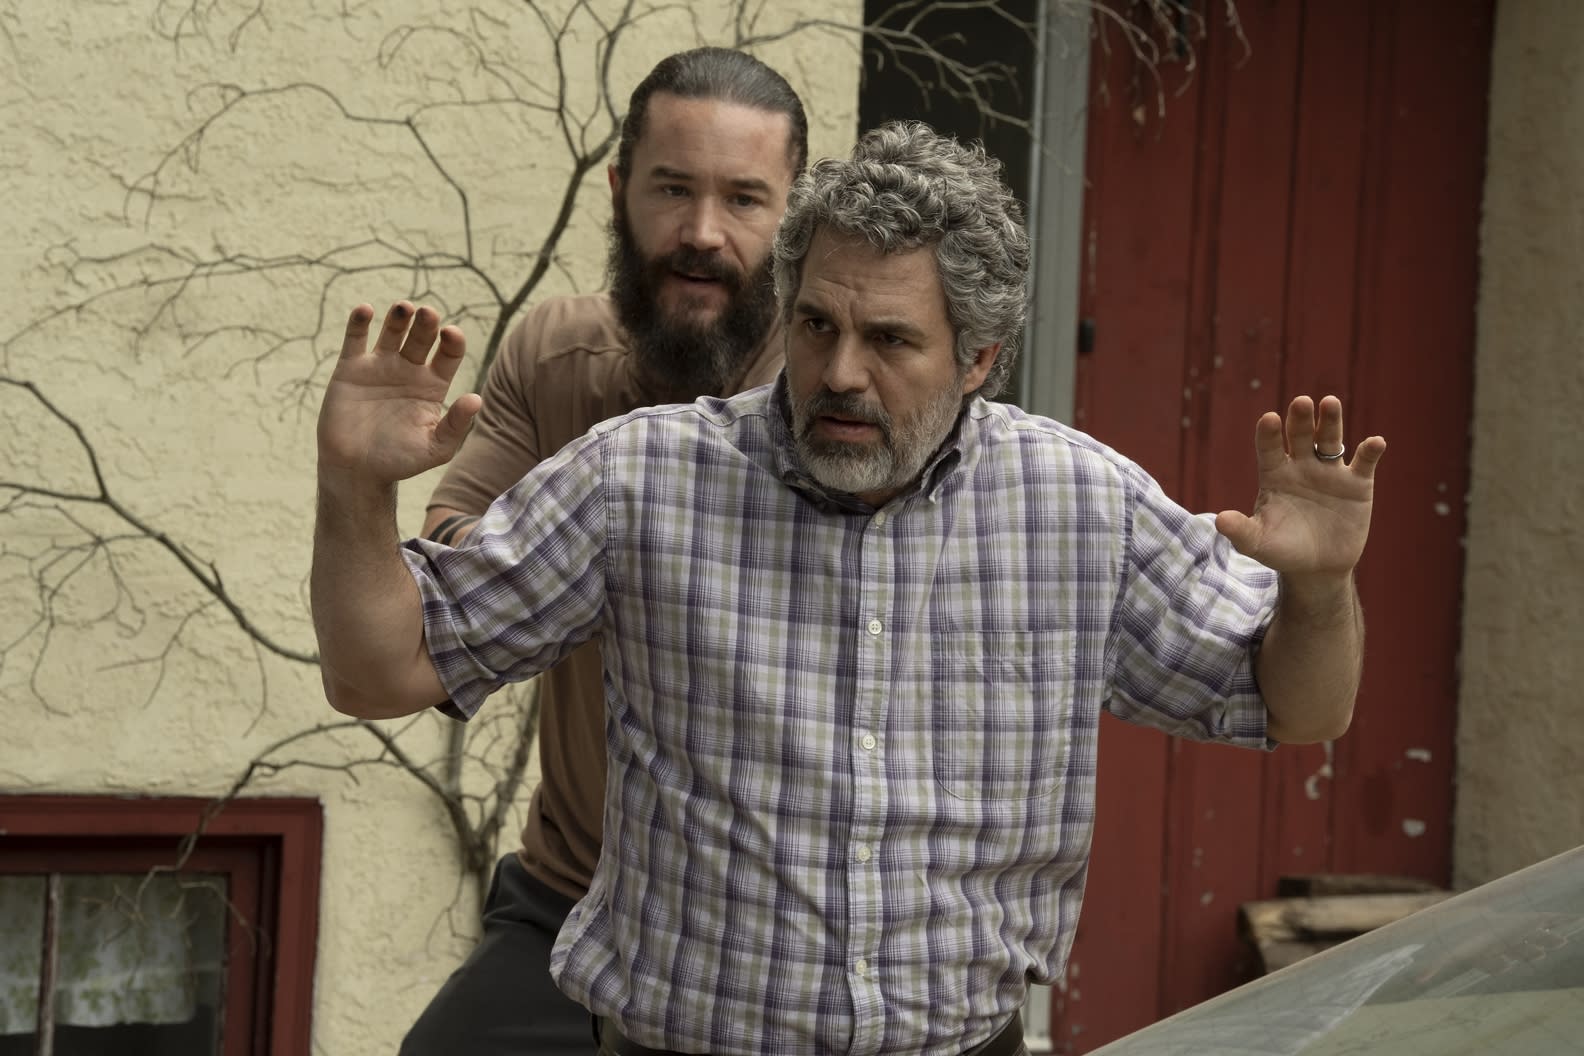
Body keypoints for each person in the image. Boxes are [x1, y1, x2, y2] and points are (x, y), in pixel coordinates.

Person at [311, 122, 1386, 1055]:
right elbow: (381, 669)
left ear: (979, 359)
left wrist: (1322, 588)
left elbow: (1300, 705)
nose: (838, 374)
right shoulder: (641, 480)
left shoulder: (1080, 506)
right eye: (818, 325)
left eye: (891, 341)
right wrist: (356, 487)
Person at [397, 47, 808, 1054]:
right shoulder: (556, 356)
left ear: (794, 216)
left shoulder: (834, 401)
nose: (702, 232)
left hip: (771, 933)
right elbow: (450, 561)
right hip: (575, 896)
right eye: (672, 188)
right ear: (620, 190)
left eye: (743, 199)